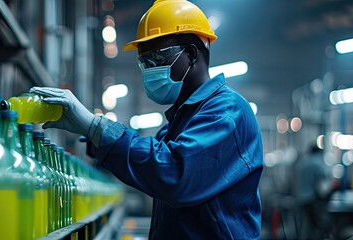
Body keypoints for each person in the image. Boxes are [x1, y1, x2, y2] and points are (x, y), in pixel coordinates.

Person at [30, 0, 263, 238]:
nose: (148, 71)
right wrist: (94, 138)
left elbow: (174, 172)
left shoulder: (226, 111)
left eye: (155, 59)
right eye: (143, 63)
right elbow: (150, 164)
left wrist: (96, 127)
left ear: (191, 54)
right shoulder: (180, 122)